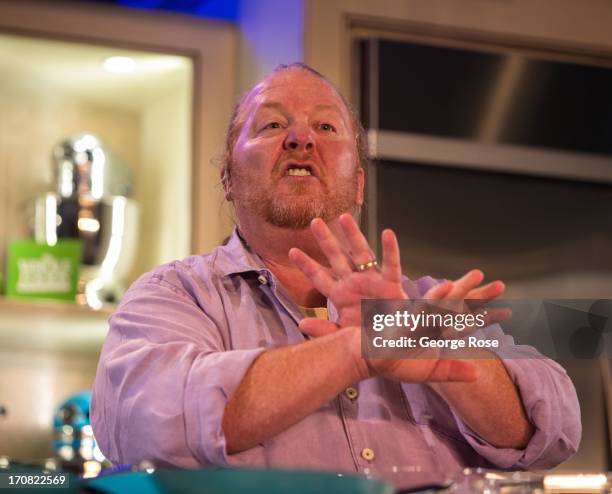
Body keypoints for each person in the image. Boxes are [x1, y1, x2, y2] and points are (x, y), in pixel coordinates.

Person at [90, 63, 581, 486]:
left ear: (359, 182)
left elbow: (553, 425)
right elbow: (144, 425)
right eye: (272, 125)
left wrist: (432, 349)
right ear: (227, 178)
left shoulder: (429, 308)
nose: (301, 138)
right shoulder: (174, 295)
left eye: (326, 128)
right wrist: (353, 351)